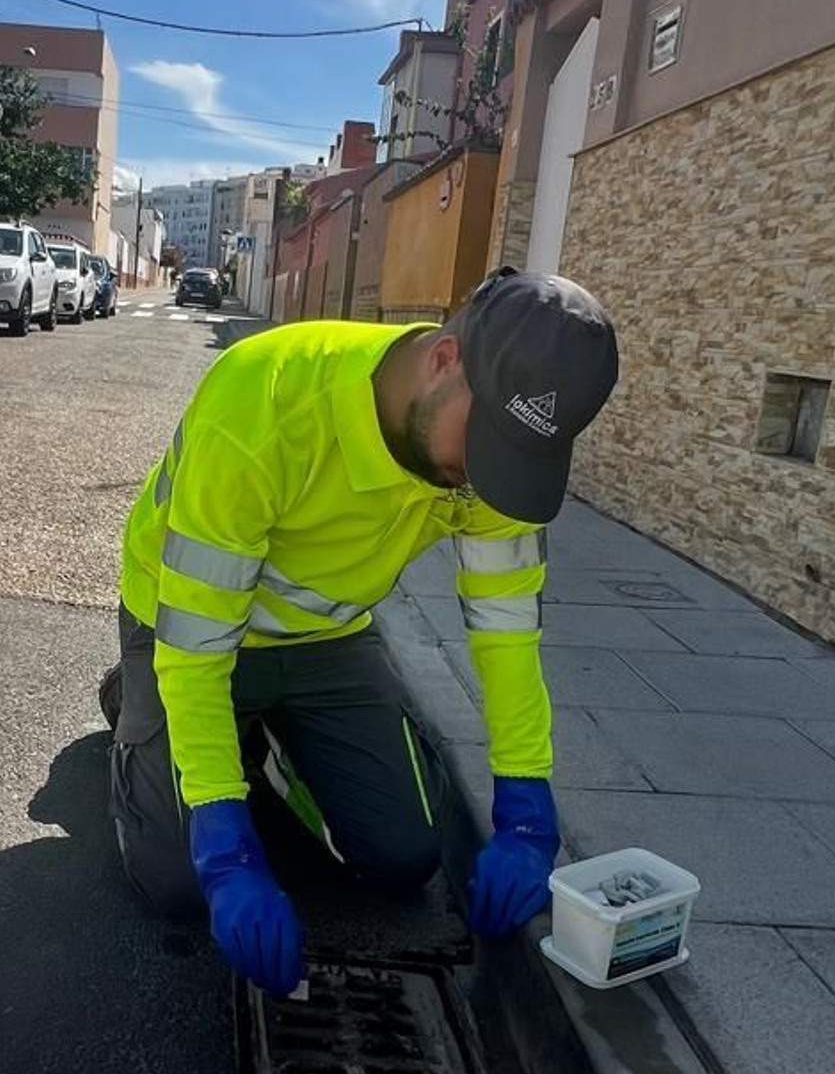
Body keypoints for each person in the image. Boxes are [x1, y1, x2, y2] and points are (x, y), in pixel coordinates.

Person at [104, 267, 620, 996]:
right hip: (187, 631)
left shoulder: (490, 465)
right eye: (485, 444)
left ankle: (270, 740)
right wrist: (227, 850)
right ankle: (132, 705)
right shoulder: (266, 400)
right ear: (444, 360)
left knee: (405, 857)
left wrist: (527, 808)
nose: (484, 480)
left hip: (326, 642)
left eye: (515, 458)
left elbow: (507, 636)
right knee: (179, 882)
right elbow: (196, 652)